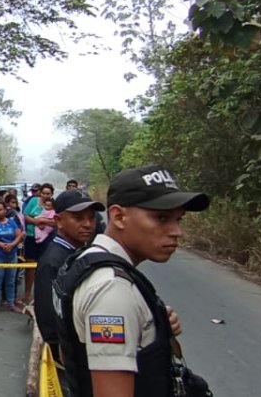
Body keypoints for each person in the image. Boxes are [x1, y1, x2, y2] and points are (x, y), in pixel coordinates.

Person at [54, 165, 210, 397]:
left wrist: (151, 323)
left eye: (179, 219)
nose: (176, 231)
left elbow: (70, 348)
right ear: (119, 216)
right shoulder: (111, 289)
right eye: (161, 217)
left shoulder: (84, 260)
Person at [34, 189, 103, 357]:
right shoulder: (53, 261)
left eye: (91, 217)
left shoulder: (80, 252)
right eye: (78, 218)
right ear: (59, 221)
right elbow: (48, 314)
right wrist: (60, 350)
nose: (87, 224)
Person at [22, 183, 56, 307]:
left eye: (48, 193)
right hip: (31, 237)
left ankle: (42, 294)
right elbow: (25, 216)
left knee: (43, 266)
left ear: (52, 194)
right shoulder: (33, 201)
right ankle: (27, 294)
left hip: (46, 238)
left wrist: (45, 221)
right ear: (40, 193)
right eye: (44, 193)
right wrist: (37, 221)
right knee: (30, 265)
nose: (46, 196)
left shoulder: (54, 205)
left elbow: (56, 221)